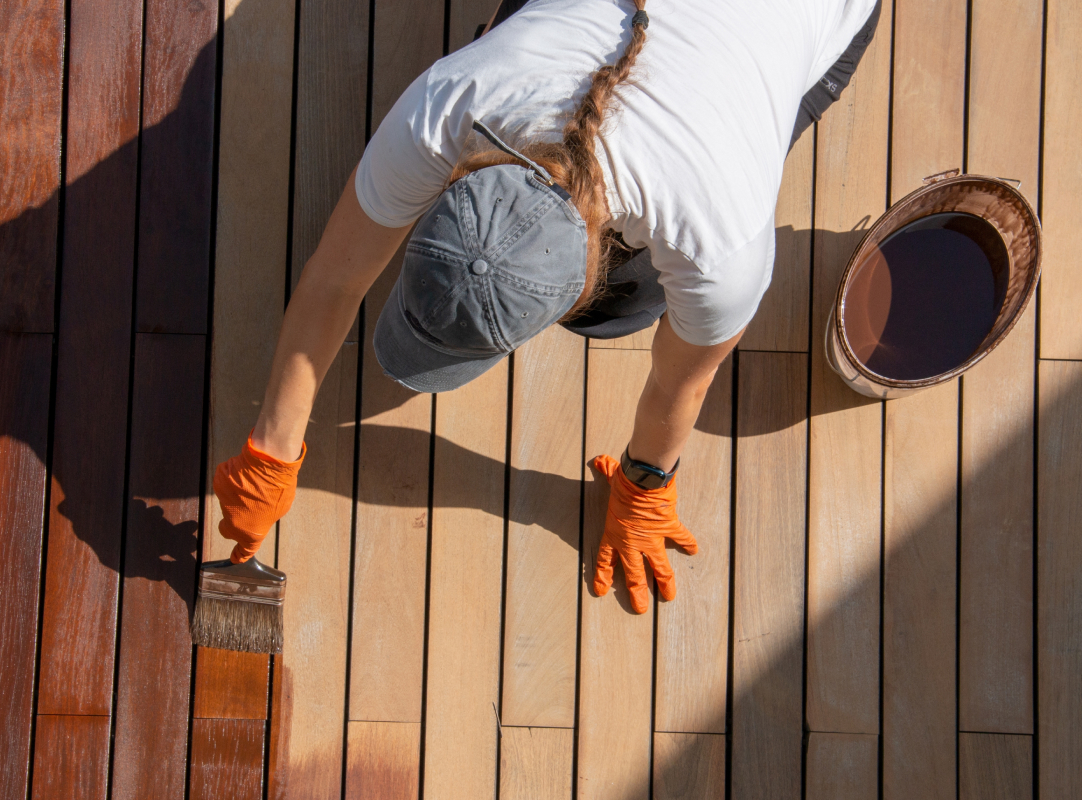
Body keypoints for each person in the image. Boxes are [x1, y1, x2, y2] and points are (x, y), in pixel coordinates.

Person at [213, 0, 882, 614]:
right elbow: (335, 280)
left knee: (617, 313)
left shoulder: (718, 240)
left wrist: (645, 488)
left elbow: (683, 380)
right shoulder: (454, 98)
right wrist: (270, 449)